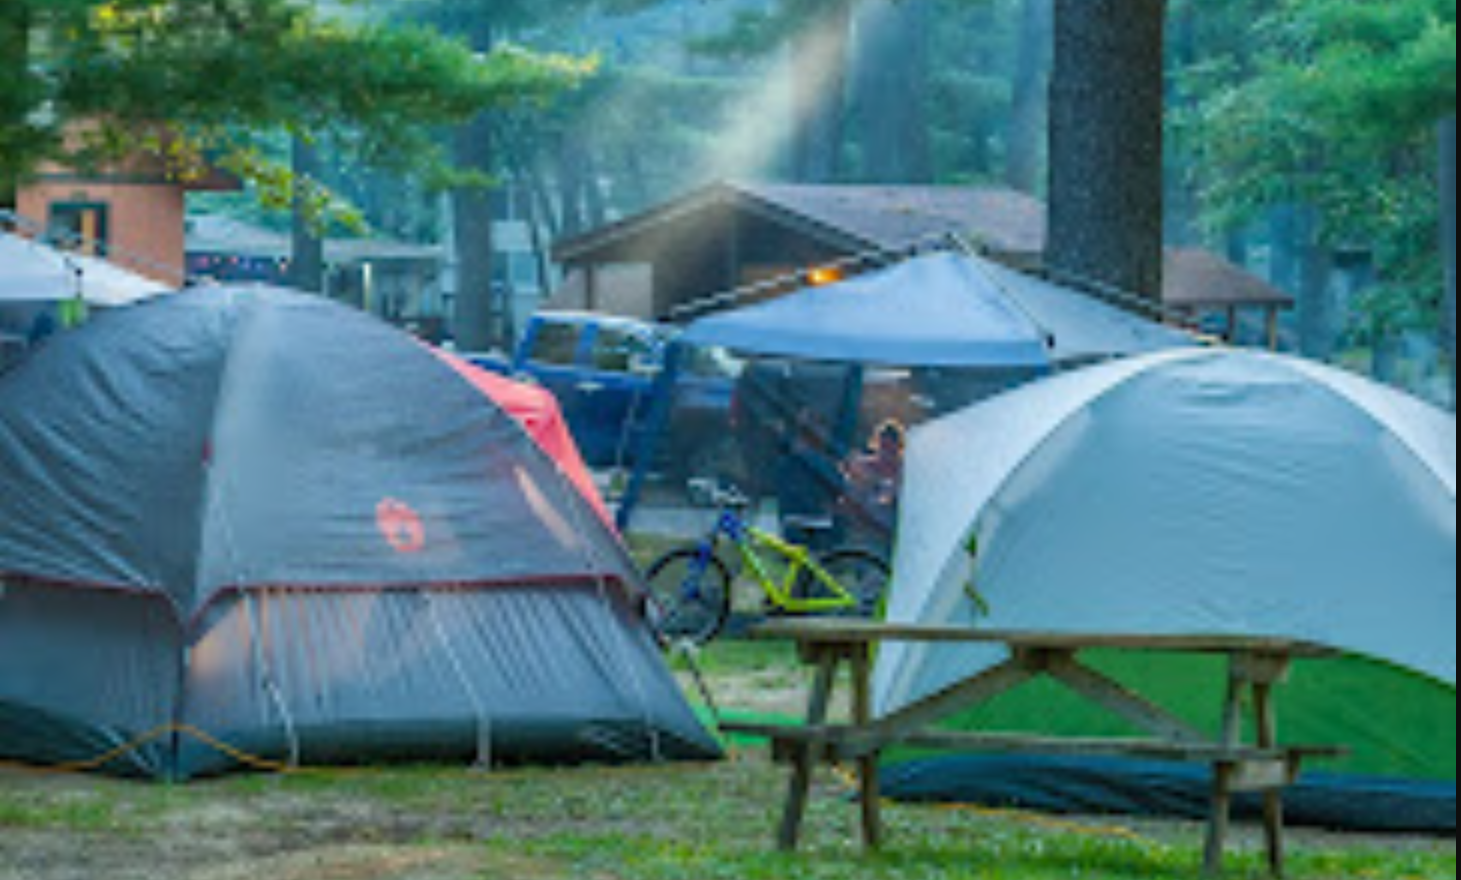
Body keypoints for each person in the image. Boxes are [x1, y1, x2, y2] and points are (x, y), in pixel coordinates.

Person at [837, 420, 908, 553]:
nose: (886, 453)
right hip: (859, 532)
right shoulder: (861, 466)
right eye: (883, 446)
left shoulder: (906, 474)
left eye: (891, 449)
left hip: (888, 538)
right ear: (876, 444)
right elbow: (846, 498)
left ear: (899, 448)